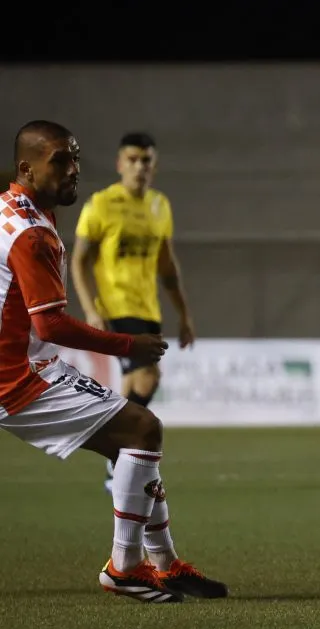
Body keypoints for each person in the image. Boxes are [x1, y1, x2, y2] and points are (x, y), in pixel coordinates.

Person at [2, 120, 226, 603]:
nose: (73, 170)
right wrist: (127, 345)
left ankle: (164, 565)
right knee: (144, 430)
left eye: (76, 158)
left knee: (133, 443)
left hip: (24, 365)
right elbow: (51, 326)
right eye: (59, 160)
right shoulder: (34, 235)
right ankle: (124, 567)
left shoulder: (11, 208)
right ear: (27, 167)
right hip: (17, 376)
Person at [69, 132, 195, 493]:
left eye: (147, 160)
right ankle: (119, 451)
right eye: (133, 159)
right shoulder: (101, 204)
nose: (140, 166)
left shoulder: (160, 206)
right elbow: (78, 261)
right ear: (120, 164)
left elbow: (168, 267)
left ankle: (119, 460)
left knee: (130, 388)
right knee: (147, 379)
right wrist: (91, 309)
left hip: (148, 310)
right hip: (116, 309)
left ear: (154, 165)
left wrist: (184, 314)